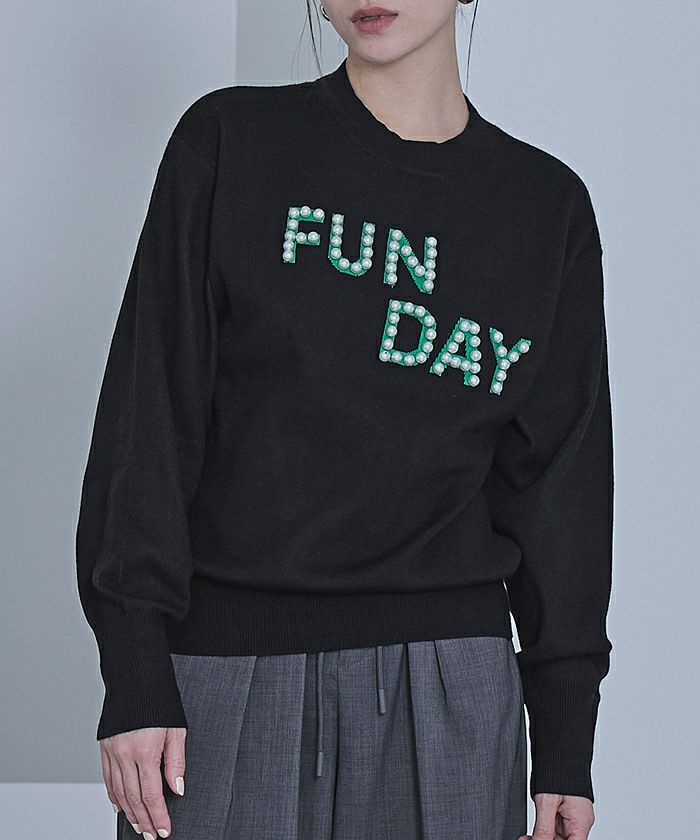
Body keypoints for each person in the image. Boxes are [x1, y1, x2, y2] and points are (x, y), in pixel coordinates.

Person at [75, 2, 615, 839]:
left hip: (449, 691)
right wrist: (136, 670)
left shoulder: (546, 208)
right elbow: (147, 425)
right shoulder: (230, 143)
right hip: (219, 678)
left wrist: (567, 742)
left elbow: (561, 493)